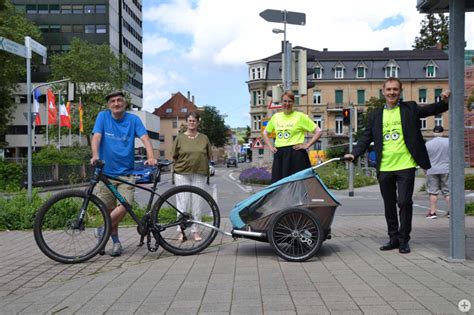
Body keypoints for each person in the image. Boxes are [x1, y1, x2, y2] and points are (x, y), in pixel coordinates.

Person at [344, 77, 450, 254]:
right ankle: (393, 238)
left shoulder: (410, 108)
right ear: (383, 92)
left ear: (400, 91)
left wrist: (443, 100)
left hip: (405, 165)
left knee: (404, 202)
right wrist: (353, 153)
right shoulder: (376, 115)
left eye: (395, 89)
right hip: (384, 166)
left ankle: (403, 239)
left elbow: (431, 109)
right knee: (389, 204)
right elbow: (365, 138)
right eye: (388, 90)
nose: (392, 92)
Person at [90, 91, 156, 257]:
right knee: (108, 210)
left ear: (125, 103)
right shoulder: (103, 117)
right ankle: (115, 243)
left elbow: (145, 138)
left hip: (126, 174)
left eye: (119, 100)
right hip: (105, 173)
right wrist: (95, 155)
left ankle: (102, 231)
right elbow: (96, 137)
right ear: (109, 105)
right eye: (112, 101)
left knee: (125, 205)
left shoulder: (133, 120)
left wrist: (151, 156)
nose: (116, 103)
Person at [262, 91, 323, 183]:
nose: (287, 104)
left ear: (293, 103)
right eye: (285, 101)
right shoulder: (276, 117)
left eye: (290, 101)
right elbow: (265, 133)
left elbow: (318, 131)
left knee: (298, 183)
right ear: (281, 102)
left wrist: (307, 145)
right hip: (280, 154)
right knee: (279, 184)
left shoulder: (301, 116)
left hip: (296, 153)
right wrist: (271, 147)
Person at [172, 112, 212, 241]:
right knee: (183, 203)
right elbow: (174, 155)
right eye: (189, 121)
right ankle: (181, 231)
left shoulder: (204, 138)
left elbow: (208, 155)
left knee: (196, 203)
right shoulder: (179, 138)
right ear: (186, 122)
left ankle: (196, 230)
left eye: (194, 121)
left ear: (198, 122)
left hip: (199, 174)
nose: (191, 123)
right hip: (182, 173)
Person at [424, 125, 450, 219]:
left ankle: (433, 213)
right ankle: (451, 212)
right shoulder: (449, 142)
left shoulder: (428, 143)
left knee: (433, 192)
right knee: (447, 192)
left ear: (433, 133)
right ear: (442, 133)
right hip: (446, 169)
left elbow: (424, 158)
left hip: (432, 170)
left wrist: (424, 169)